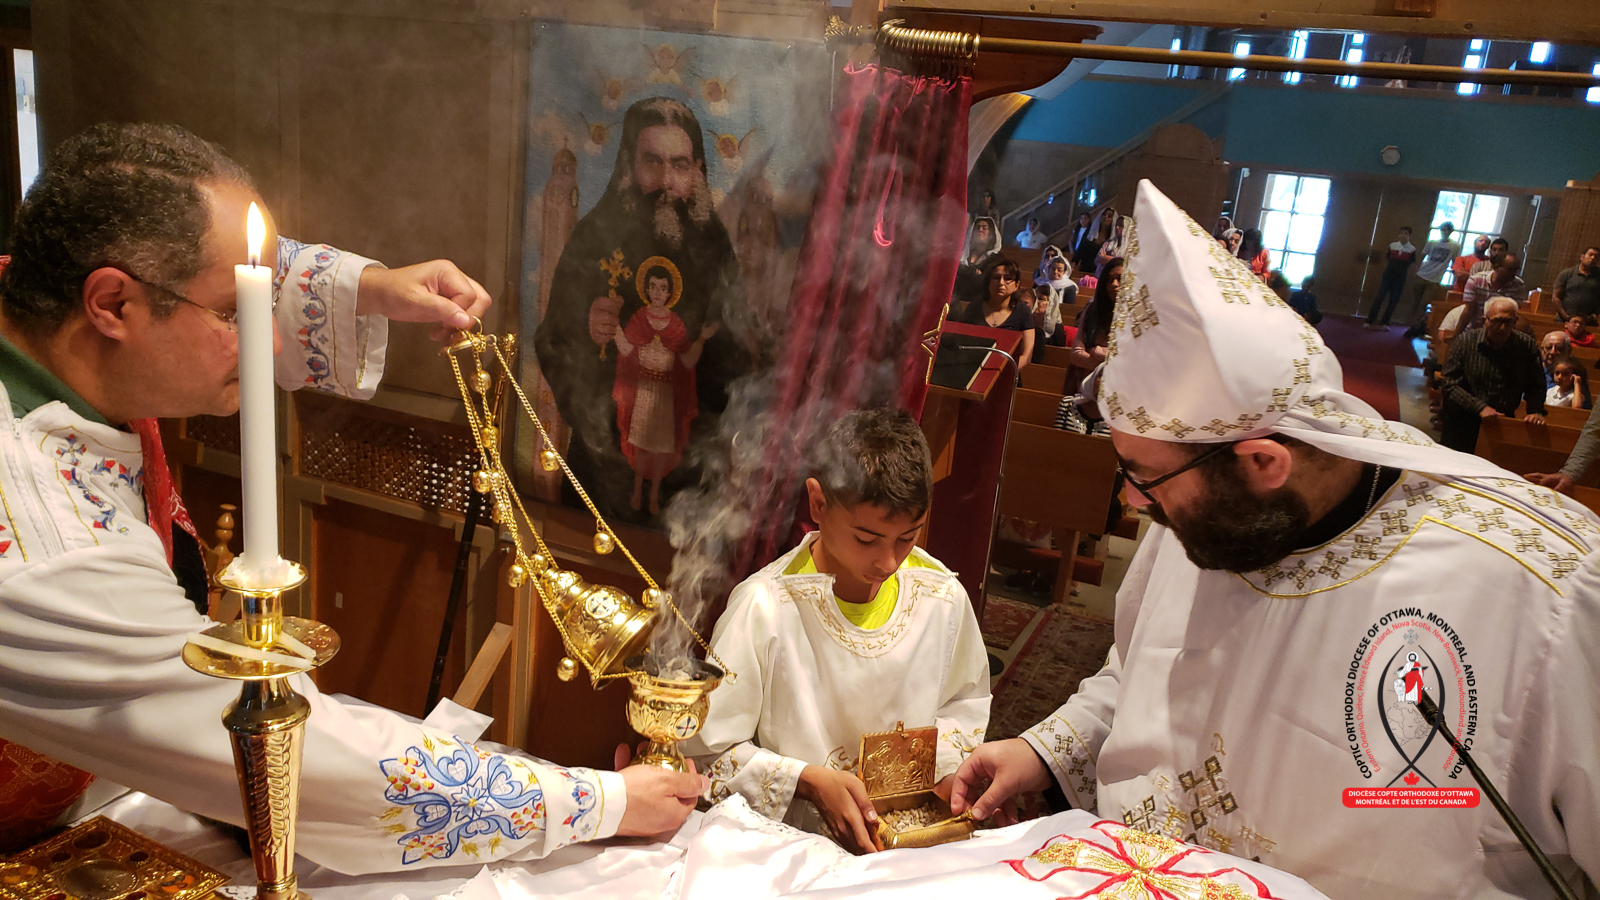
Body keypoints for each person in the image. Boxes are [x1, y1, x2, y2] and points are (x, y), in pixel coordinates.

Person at [0, 124, 707, 866]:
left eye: (265, 298)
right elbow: (308, 760)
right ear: (111, 305)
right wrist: (598, 802)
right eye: (235, 313)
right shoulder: (49, 544)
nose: (271, 340)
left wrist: (373, 287)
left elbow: (238, 264)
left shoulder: (42, 299)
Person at [947, 180, 1600, 898]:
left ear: (1263, 463)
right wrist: (1046, 751)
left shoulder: (1556, 594)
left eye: (1143, 476)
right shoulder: (1204, 514)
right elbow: (1137, 672)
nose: (1132, 501)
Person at [685, 408, 990, 855]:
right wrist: (807, 782)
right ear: (818, 503)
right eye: (867, 539)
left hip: (906, 841)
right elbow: (711, 753)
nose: (888, 562)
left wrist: (943, 774)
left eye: (907, 538)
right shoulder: (765, 607)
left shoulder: (940, 596)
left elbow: (964, 705)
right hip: (792, 846)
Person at [535, 97, 743, 524]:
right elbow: (553, 339)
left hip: (688, 479)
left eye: (679, 165)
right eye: (652, 162)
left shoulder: (715, 248)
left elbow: (733, 360)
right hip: (600, 470)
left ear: (697, 170)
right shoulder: (594, 237)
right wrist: (587, 329)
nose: (666, 180)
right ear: (629, 165)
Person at [612, 263, 718, 515]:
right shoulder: (640, 319)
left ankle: (654, 495)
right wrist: (614, 325)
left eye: (663, 287)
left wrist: (702, 339)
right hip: (643, 392)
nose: (658, 292)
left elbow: (687, 361)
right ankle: (637, 490)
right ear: (647, 290)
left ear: (670, 293)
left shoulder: (675, 325)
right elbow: (626, 349)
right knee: (641, 445)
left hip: (664, 395)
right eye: (653, 287)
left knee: (660, 448)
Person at [1437, 296, 1548, 452]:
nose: (1502, 328)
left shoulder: (1526, 345)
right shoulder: (1465, 341)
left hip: (1501, 422)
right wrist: (1479, 407)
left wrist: (1535, 411)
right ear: (1485, 320)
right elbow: (1449, 383)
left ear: (1515, 321)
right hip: (1462, 420)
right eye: (1497, 321)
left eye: (1508, 322)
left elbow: (1536, 384)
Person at [955, 258, 1035, 366]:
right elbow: (960, 343)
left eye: (1008, 278)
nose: (1001, 283)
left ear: (1016, 285)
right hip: (972, 368)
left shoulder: (1023, 311)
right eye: (996, 278)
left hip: (1008, 371)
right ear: (988, 282)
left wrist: (1002, 371)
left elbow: (1026, 356)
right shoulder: (975, 307)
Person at [1066, 257, 1120, 396]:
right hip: (1087, 386)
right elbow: (1076, 355)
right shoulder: (1092, 310)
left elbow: (1130, 361)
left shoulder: (1137, 317)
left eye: (1120, 279)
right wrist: (1108, 363)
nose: (1114, 284)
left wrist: (1100, 352)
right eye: (1109, 280)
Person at [1400, 223, 1462, 338]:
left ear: (1451, 231)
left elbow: (1455, 262)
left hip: (1435, 279)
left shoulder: (1455, 246)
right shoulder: (1432, 242)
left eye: (1447, 230)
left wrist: (1455, 278)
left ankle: (1416, 327)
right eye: (1443, 229)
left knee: (1424, 303)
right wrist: (1416, 269)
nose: (1444, 232)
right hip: (1422, 274)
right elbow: (1422, 256)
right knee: (1415, 302)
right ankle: (1411, 325)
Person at [1363, 225, 1415, 329]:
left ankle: (1385, 323)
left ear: (1409, 235)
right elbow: (1388, 259)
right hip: (1388, 275)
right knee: (1379, 297)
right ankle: (1370, 320)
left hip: (1400, 277)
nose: (1403, 235)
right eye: (1401, 233)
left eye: (1405, 234)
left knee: (1394, 300)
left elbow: (1411, 263)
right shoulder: (1392, 245)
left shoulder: (1412, 249)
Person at [952, 216, 1002, 308]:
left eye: (984, 228)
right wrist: (974, 273)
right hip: (956, 304)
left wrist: (966, 272)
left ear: (991, 233)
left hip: (980, 307)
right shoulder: (963, 255)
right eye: (978, 227)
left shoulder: (996, 259)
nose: (980, 230)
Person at [1553, 246, 1600, 322]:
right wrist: (1565, 316)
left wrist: (1594, 315)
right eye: (1590, 255)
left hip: (1588, 321)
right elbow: (1556, 297)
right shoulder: (1567, 274)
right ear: (1582, 257)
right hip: (1564, 319)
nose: (1592, 258)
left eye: (1596, 257)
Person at [1073, 208, 1113, 275]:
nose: (1105, 217)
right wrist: (1073, 263)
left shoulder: (1112, 237)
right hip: (1085, 269)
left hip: (1101, 272)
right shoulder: (1091, 231)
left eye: (1109, 216)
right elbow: (1081, 248)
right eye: (1104, 214)